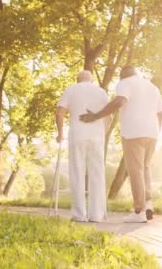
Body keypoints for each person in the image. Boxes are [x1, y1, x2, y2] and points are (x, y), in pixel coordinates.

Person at [80, 66, 162, 223]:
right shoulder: (152, 87)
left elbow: (119, 101)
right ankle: (148, 203)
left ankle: (139, 211)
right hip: (152, 133)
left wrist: (96, 116)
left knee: (135, 171)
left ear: (122, 76)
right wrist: (157, 132)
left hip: (134, 132)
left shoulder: (125, 83)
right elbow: (161, 114)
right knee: (144, 167)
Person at [56, 70, 111, 222]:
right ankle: (97, 215)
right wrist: (103, 134)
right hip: (96, 137)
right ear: (91, 80)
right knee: (97, 174)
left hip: (77, 135)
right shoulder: (101, 92)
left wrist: (60, 132)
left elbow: (60, 112)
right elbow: (109, 116)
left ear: (77, 79)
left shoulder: (71, 89)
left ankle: (79, 215)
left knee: (77, 173)